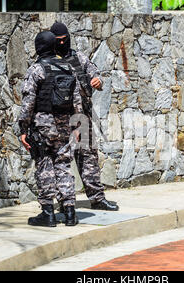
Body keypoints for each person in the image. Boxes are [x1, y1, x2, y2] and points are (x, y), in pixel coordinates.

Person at [50, 22, 119, 212]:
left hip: (82, 116)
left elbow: (93, 71)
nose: (63, 43)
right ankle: (66, 203)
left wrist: (97, 80)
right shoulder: (48, 61)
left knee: (88, 157)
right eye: (59, 41)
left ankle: (97, 198)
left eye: (65, 39)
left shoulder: (77, 57)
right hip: (61, 119)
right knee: (62, 159)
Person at [18, 30, 83, 227]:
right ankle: (70, 212)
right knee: (63, 165)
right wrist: (77, 126)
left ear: (39, 47)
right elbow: (77, 99)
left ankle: (48, 213)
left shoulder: (37, 69)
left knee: (45, 166)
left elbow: (28, 102)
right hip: (65, 125)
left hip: (43, 126)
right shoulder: (68, 68)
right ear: (54, 46)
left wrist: (23, 128)